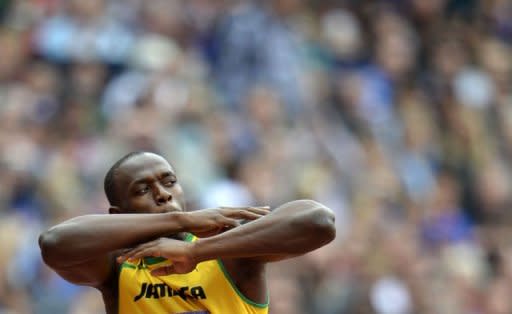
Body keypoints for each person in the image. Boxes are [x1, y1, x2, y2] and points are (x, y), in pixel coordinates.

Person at [39, 151, 336, 314]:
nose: (163, 194)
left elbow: (320, 222)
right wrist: (181, 220)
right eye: (143, 190)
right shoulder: (118, 267)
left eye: (169, 182)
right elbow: (54, 243)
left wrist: (196, 251)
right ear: (119, 214)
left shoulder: (229, 248)